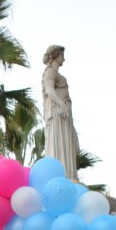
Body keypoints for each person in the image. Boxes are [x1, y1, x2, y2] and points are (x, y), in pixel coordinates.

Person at [42, 44, 80, 181]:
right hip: (57, 110)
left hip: (63, 112)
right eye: (62, 55)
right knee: (59, 140)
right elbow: (49, 90)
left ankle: (69, 173)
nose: (64, 59)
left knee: (66, 140)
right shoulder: (50, 72)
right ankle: (62, 173)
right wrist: (62, 105)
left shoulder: (56, 73)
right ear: (56, 56)